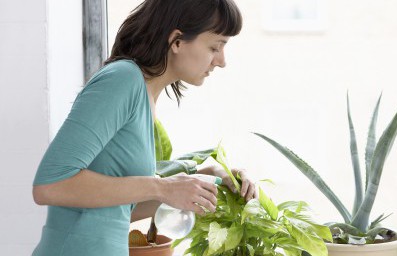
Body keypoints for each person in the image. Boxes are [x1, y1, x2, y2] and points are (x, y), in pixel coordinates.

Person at [31, 0, 256, 255]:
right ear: (177, 41)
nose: (222, 61)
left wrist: (210, 179)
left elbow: (116, 209)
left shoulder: (145, 96)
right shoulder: (122, 80)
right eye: (215, 46)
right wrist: (162, 187)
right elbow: (50, 186)